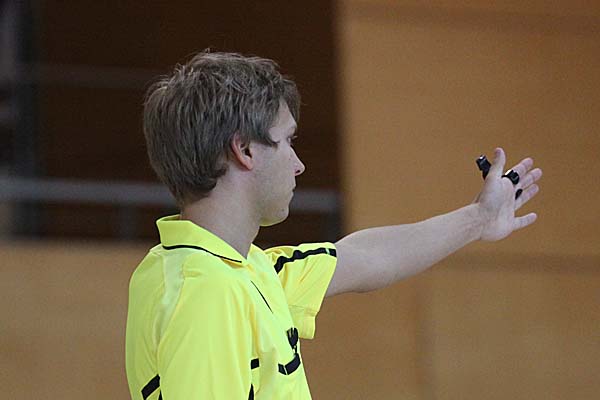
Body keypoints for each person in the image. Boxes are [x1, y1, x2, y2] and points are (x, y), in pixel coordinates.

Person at [125, 50, 542, 400]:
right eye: (287, 141)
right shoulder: (206, 293)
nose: (298, 164)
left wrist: (479, 216)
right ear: (245, 149)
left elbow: (365, 257)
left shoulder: (242, 271)